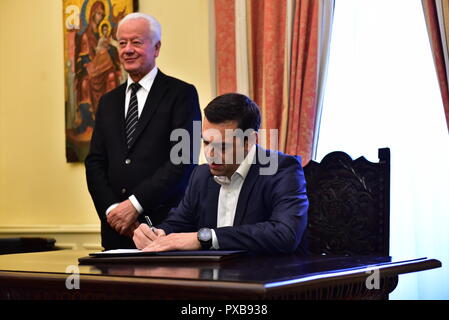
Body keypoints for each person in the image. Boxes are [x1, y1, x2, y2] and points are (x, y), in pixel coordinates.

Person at [132, 93, 308, 254]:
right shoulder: (201, 175)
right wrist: (157, 233)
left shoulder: (282, 169)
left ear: (250, 141)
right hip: (212, 279)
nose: (210, 154)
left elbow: (284, 234)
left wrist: (205, 238)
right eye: (206, 143)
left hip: (265, 279)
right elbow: (179, 222)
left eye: (223, 146)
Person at [85, 12, 201, 250]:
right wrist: (113, 211)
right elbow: (95, 162)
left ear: (156, 48)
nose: (127, 49)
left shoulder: (182, 94)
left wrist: (134, 205)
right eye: (123, 42)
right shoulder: (107, 101)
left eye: (136, 42)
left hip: (163, 229)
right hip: (115, 231)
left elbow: (183, 160)